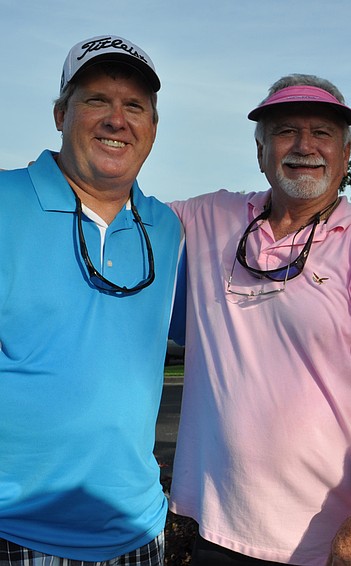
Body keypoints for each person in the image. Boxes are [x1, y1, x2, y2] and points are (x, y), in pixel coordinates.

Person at [166, 74, 351, 566]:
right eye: (286, 130)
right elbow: (114, 209)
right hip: (216, 535)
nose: (304, 146)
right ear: (261, 150)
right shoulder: (208, 219)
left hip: (327, 546)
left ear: (346, 153)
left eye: (322, 133)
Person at [0, 36, 182, 564]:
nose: (116, 119)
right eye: (97, 101)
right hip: (16, 531)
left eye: (134, 107)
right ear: (61, 113)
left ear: (152, 126)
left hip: (138, 531)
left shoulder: (166, 228)